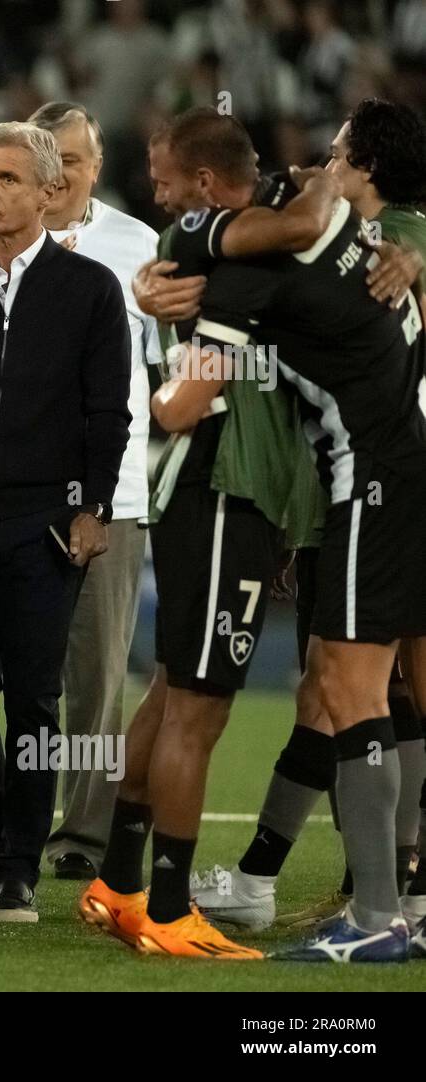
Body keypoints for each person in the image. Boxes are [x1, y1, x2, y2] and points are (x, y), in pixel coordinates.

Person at [178, 99, 426, 933]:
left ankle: (376, 914)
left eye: (336, 152)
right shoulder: (370, 240)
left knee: (351, 692)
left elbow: (190, 396)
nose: (321, 161)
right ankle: (394, 898)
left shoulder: (352, 240)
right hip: (379, 479)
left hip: (378, 480)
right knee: (357, 688)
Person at [0, 101, 163, 883]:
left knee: (79, 687)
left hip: (92, 503)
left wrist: (100, 499)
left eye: (8, 177)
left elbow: (133, 392)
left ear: (68, 178)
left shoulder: (131, 251)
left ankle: (70, 843)